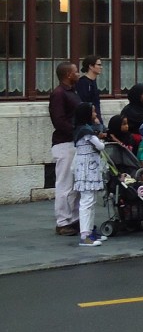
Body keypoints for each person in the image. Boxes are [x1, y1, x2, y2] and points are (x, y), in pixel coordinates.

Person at [49, 60, 82, 237]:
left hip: (74, 142)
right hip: (65, 143)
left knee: (76, 184)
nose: (78, 74)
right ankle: (62, 221)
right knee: (65, 184)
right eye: (76, 72)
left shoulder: (71, 92)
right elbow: (59, 120)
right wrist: (78, 131)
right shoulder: (59, 94)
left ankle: (74, 218)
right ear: (68, 75)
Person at [71, 103, 107, 247]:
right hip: (87, 169)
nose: (95, 115)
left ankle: (90, 231)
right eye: (92, 112)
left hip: (88, 168)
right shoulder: (86, 131)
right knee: (87, 201)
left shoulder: (82, 129)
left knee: (90, 201)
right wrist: (99, 129)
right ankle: (85, 235)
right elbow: (100, 145)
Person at [75, 55, 104, 125]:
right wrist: (94, 118)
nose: (101, 67)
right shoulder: (83, 82)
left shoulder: (93, 81)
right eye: (98, 65)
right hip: (88, 121)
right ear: (91, 66)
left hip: (96, 118)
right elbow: (84, 102)